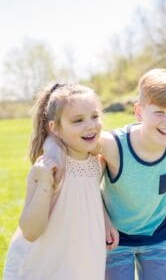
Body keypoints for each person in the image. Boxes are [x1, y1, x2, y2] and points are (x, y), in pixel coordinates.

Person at [41, 69, 166, 279]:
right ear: (139, 112)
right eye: (159, 112)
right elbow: (62, 136)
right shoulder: (114, 146)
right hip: (116, 240)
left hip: (158, 235)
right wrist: (52, 154)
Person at [3, 83, 111, 280]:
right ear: (55, 129)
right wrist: (45, 183)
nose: (90, 125)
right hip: (45, 267)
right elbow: (30, 232)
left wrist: (106, 221)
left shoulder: (97, 162)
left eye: (95, 116)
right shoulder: (48, 168)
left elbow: (90, 197)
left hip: (81, 265)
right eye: (78, 120)